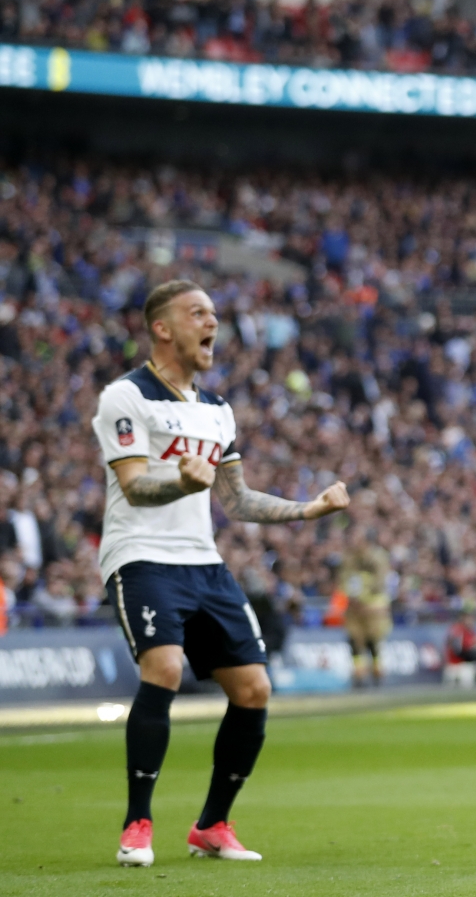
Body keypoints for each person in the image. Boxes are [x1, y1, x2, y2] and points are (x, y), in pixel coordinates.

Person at [94, 280, 350, 867]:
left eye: (214, 312)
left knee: (254, 689)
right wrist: (182, 482)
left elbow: (235, 501)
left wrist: (309, 509)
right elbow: (133, 486)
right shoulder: (126, 398)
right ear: (163, 328)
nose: (214, 322)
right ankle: (138, 822)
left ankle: (212, 824)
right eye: (199, 313)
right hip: (142, 556)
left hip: (203, 562)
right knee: (164, 666)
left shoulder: (216, 411)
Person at [338, 531, 393, 687]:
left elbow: (380, 582)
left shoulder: (379, 557)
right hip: (354, 605)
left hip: (373, 605)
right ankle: (359, 674)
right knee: (354, 639)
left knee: (373, 640)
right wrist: (352, 597)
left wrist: (364, 596)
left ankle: (377, 673)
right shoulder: (349, 557)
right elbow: (343, 578)